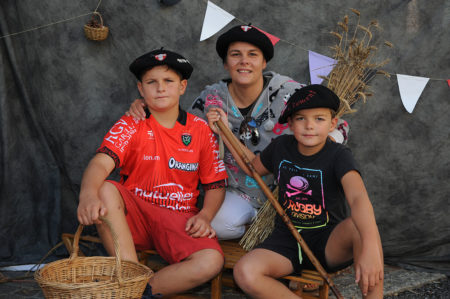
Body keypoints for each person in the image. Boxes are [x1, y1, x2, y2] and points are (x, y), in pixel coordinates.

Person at [126, 25, 349, 240]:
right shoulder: (211, 98)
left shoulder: (290, 92)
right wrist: (148, 108)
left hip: (291, 192)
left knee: (312, 222)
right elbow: (180, 132)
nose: (244, 61)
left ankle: (277, 233)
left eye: (253, 54)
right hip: (238, 191)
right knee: (218, 225)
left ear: (263, 62)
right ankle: (255, 227)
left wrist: (317, 154)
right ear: (226, 63)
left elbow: (339, 126)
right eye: (235, 54)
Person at [207, 84, 384, 298]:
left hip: (328, 241)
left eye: (319, 118)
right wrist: (225, 132)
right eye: (301, 118)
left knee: (361, 229)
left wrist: (371, 248)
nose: (310, 126)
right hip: (288, 238)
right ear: (290, 123)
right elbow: (252, 167)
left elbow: (358, 198)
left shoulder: (339, 155)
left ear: (332, 124)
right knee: (245, 272)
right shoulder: (281, 146)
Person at [77, 48, 228, 298]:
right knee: (103, 188)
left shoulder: (199, 129)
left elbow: (215, 184)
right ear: (140, 89)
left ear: (182, 86)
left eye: (168, 81)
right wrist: (86, 195)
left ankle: (136, 292)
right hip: (133, 217)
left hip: (178, 220)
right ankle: (130, 274)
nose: (160, 88)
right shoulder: (131, 122)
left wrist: (206, 215)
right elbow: (100, 164)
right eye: (152, 82)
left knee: (211, 261)